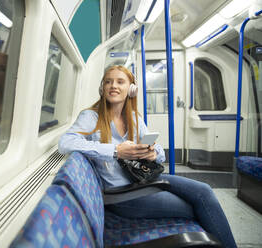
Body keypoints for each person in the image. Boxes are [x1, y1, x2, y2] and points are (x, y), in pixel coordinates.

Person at [58, 65, 237, 248]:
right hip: (123, 194)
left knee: (204, 191)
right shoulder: (91, 116)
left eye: (120, 82)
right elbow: (65, 143)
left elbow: (159, 151)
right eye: (108, 81)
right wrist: (115, 150)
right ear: (102, 88)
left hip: (144, 179)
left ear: (131, 89)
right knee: (199, 208)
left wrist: (152, 153)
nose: (113, 86)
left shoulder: (134, 118)